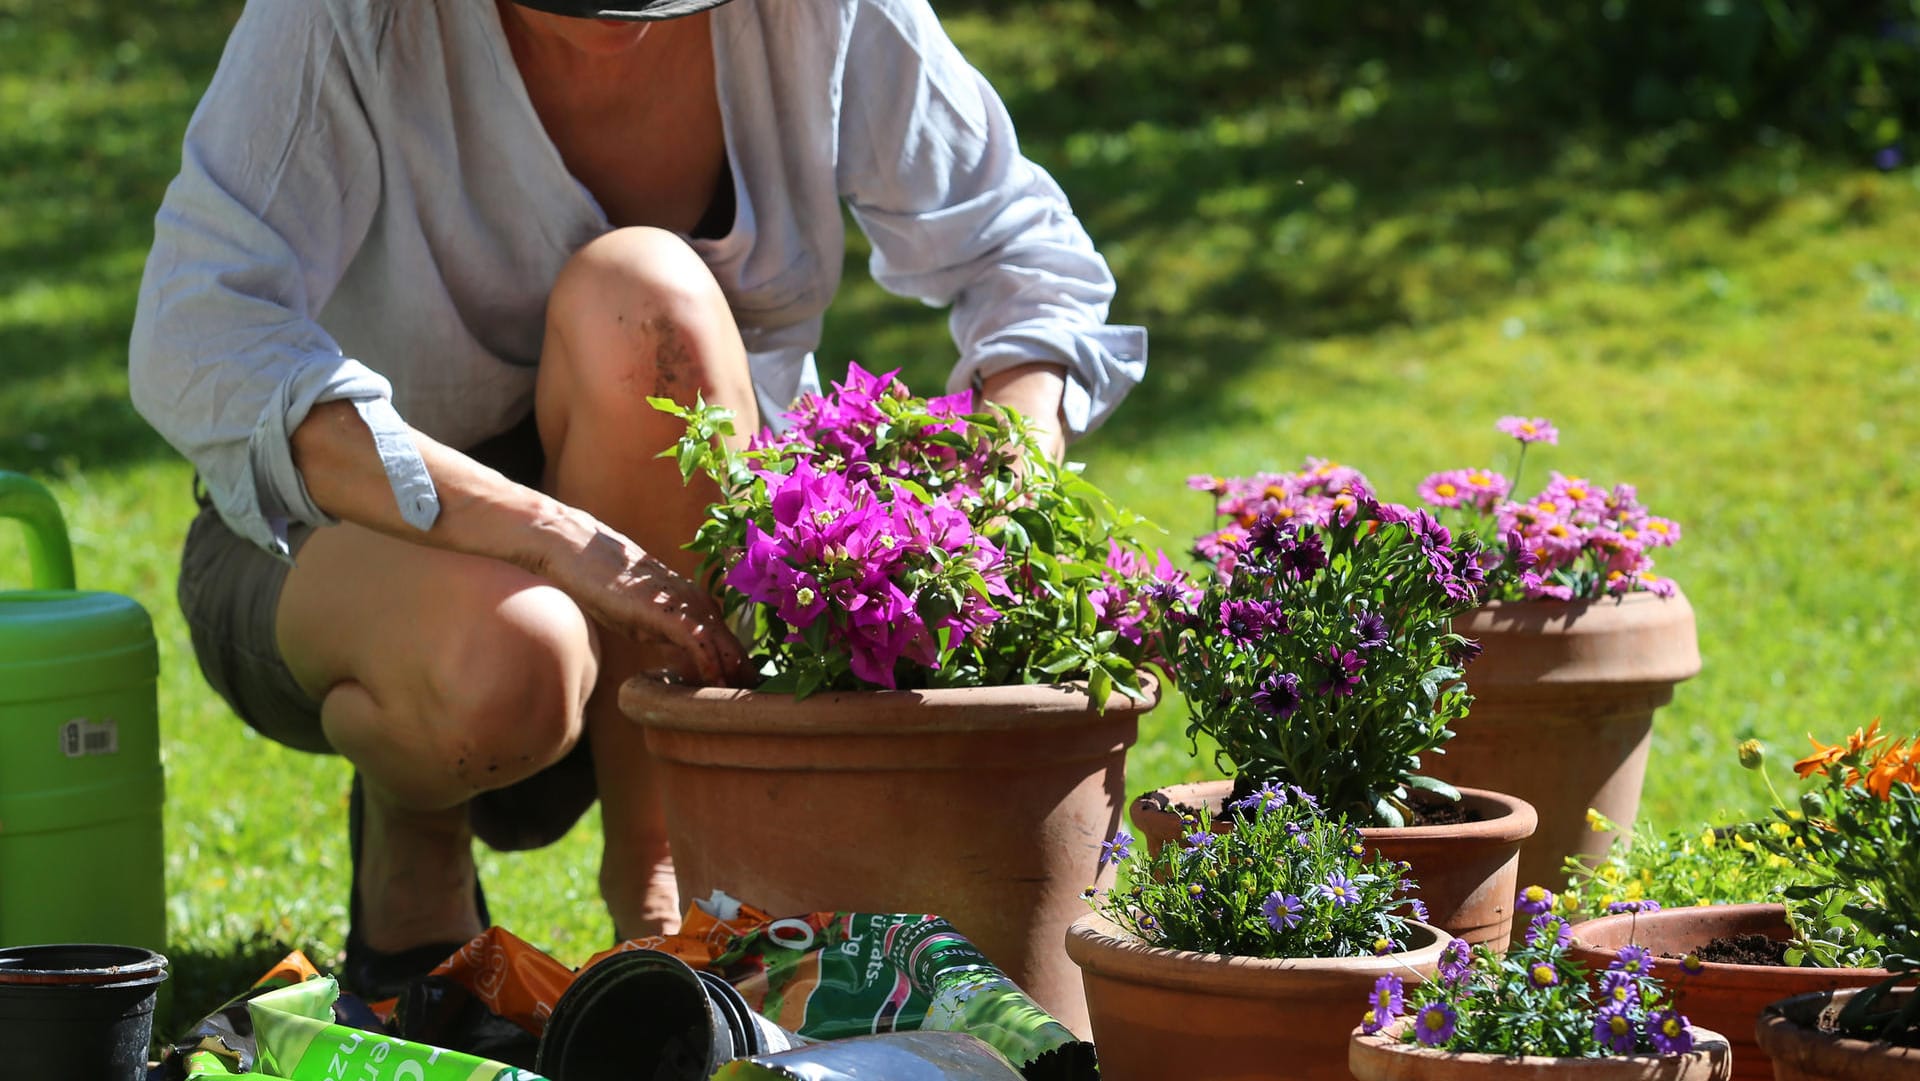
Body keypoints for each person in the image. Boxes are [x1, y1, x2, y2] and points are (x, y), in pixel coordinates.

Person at [129, 0, 1145, 995]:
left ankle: (667, 892)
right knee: (509, 658)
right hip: (345, 548)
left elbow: (1021, 249)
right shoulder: (347, 18)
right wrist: (551, 537)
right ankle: (414, 838)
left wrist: (1001, 482)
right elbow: (198, 333)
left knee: (644, 293)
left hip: (684, 601)